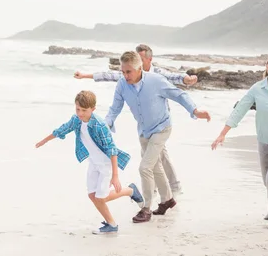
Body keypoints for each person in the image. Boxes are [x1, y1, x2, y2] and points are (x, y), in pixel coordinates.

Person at [74, 44, 197, 196]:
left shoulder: (156, 74)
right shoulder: (127, 77)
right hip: (144, 126)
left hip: (160, 123)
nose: (138, 59)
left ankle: (167, 190)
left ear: (147, 60)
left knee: (153, 159)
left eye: (141, 57)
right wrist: (85, 76)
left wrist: (186, 79)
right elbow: (109, 76)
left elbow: (175, 79)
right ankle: (163, 192)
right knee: (154, 158)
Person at [104, 51, 211, 223]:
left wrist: (195, 110)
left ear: (139, 68)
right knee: (155, 167)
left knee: (144, 167)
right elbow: (114, 108)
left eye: (129, 71)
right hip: (144, 131)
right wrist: (106, 124)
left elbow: (178, 94)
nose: (125, 75)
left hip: (162, 128)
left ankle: (145, 208)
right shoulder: (122, 85)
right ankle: (167, 200)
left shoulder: (155, 80)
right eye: (123, 72)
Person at [35, 90, 144, 235]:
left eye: (84, 110)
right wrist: (44, 141)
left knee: (101, 197)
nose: (80, 113)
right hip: (93, 162)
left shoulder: (100, 125)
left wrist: (115, 176)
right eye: (78, 109)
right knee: (92, 195)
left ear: (93, 109)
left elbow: (112, 150)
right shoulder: (76, 120)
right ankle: (112, 222)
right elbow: (63, 129)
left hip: (106, 165)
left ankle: (129, 193)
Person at [212, 52, 268, 231]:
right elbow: (240, 110)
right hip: (263, 141)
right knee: (267, 180)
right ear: (266, 66)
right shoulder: (257, 89)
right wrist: (223, 133)